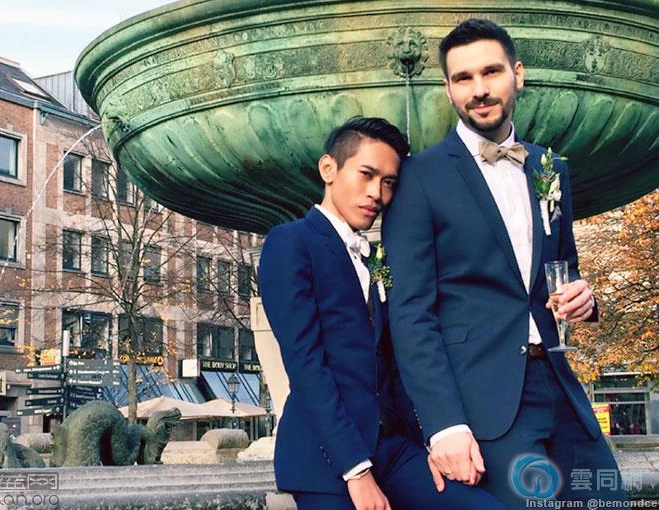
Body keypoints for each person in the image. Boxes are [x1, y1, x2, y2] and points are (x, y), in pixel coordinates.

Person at [382, 19, 628, 509]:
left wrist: (583, 296)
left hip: (560, 388)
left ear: (518, 74)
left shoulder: (549, 168)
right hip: (485, 405)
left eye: (490, 72)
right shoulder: (418, 178)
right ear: (448, 89)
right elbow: (410, 314)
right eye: (463, 78)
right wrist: (444, 425)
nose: (478, 89)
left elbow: (564, 268)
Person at [259, 117, 505, 510]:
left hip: (394, 448)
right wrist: (356, 472)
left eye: (388, 182)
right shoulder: (290, 242)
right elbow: (306, 366)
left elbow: (391, 361)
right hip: (326, 460)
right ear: (328, 168)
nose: (377, 193)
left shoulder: (374, 256)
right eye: (367, 174)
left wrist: (428, 442)